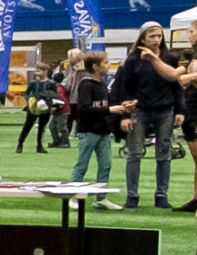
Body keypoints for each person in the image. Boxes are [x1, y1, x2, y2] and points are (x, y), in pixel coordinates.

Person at [111, 22, 186, 209]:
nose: (156, 39)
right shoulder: (133, 60)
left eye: (159, 36)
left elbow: (176, 86)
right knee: (134, 153)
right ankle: (132, 196)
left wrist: (180, 110)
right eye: (152, 36)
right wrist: (125, 115)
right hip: (139, 110)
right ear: (142, 38)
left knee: (164, 154)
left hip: (165, 109)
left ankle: (161, 195)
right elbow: (125, 88)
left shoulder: (170, 58)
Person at [68, 53, 115, 190]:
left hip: (104, 130)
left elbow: (106, 104)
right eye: (105, 62)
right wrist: (109, 109)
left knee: (106, 165)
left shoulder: (102, 84)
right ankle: (74, 194)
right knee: (82, 165)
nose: (109, 65)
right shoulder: (86, 84)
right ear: (95, 66)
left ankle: (101, 197)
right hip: (88, 131)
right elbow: (83, 109)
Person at [16, 65, 59, 155]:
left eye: (39, 71)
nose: (36, 73)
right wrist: (30, 101)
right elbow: (27, 93)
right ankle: (20, 143)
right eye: (37, 71)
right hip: (33, 107)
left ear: (45, 71)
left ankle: (39, 145)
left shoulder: (51, 83)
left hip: (45, 107)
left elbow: (55, 94)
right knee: (27, 125)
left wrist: (51, 103)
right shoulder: (33, 83)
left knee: (42, 127)